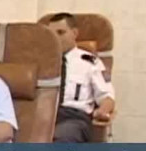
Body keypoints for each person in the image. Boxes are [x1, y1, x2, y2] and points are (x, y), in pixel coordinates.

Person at [46, 13, 115, 143]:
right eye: (51, 35)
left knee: (61, 138)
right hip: (43, 116)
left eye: (60, 33)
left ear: (74, 33)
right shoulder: (42, 61)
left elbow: (107, 97)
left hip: (73, 118)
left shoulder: (90, 62)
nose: (55, 39)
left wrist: (102, 111)